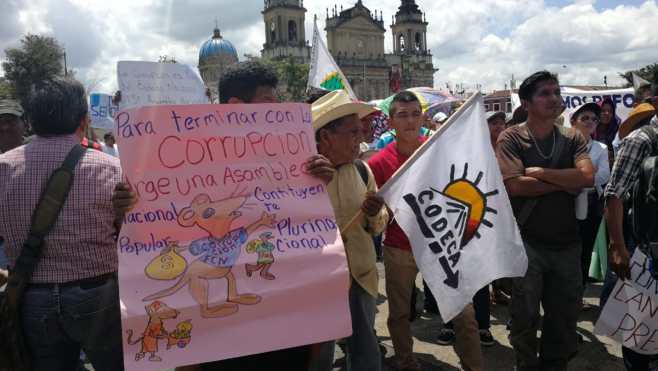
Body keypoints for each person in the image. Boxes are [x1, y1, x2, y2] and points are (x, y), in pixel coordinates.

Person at [113, 61, 335, 371]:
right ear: (235, 106)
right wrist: (129, 209)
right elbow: (154, 231)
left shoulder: (290, 153)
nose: (278, 110)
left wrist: (318, 184)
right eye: (268, 102)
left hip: (283, 326)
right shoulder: (182, 158)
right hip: (220, 342)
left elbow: (307, 226)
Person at [0, 77, 124, 371]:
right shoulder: (111, 168)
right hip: (99, 294)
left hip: (31, 298)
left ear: (29, 121)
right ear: (84, 120)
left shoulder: (3, 168)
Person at [368, 91, 483, 371]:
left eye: (414, 113)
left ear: (423, 117)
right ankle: (406, 363)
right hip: (399, 248)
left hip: (440, 244)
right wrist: (374, 210)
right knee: (398, 314)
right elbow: (373, 214)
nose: (409, 120)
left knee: (464, 313)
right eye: (402, 115)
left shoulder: (438, 151)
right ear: (391, 121)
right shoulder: (378, 163)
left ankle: (474, 366)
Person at [496, 71, 594, 371]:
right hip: (527, 242)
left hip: (567, 243)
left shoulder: (572, 137)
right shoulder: (512, 137)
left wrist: (541, 173)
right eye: (544, 93)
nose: (553, 98)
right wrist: (568, 182)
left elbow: (588, 176)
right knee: (524, 317)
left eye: (556, 92)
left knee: (564, 317)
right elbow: (515, 185)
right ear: (526, 103)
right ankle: (525, 365)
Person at [312, 89, 389, 371]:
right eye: (353, 132)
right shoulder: (300, 176)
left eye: (361, 131)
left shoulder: (362, 170)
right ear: (325, 137)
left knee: (366, 349)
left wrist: (374, 214)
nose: (361, 138)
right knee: (318, 355)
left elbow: (380, 220)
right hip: (317, 283)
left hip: (361, 276)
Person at [604, 80, 658, 371]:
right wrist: (618, 246)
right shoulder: (641, 139)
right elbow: (614, 193)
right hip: (646, 250)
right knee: (641, 334)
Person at [569, 102, 610, 309]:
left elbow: (604, 175)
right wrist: (586, 174)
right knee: (568, 251)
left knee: (585, 251)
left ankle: (578, 295)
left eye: (594, 119)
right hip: (566, 203)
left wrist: (580, 178)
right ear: (573, 121)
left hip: (592, 203)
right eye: (585, 118)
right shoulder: (564, 145)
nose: (590, 122)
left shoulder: (601, 147)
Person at [0, 99, 27, 286]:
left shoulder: (41, 155)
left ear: (24, 124)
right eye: (0, 121)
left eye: (10, 120)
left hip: (38, 246)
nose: (4, 127)